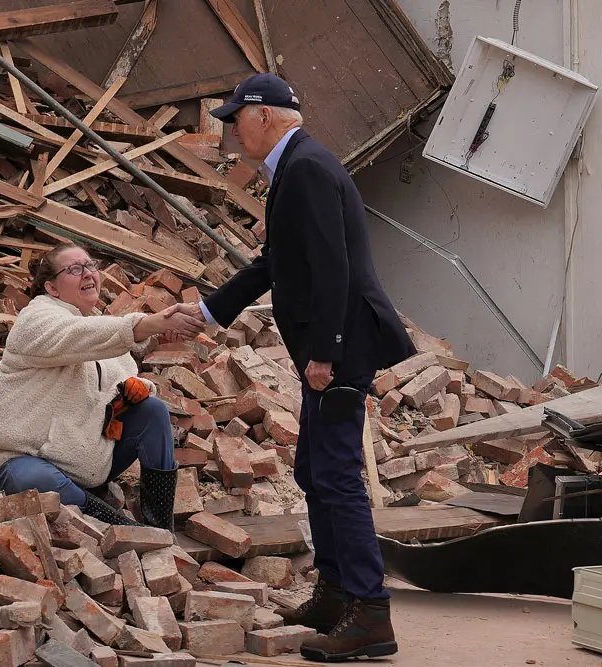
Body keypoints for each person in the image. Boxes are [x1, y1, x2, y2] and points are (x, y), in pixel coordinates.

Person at [173, 74, 416, 662]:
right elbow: (276, 263)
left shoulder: (305, 167)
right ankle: (334, 593)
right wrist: (207, 311)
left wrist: (326, 351)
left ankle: (370, 611)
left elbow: (333, 266)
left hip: (341, 346)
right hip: (330, 346)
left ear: (264, 116)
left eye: (237, 118)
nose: (232, 131)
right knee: (314, 469)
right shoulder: (296, 166)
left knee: (336, 475)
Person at [0, 243, 206, 530]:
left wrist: (137, 388)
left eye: (90, 265)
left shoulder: (96, 323)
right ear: (51, 288)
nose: (88, 273)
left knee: (152, 411)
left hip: (87, 464)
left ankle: (160, 526)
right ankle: (124, 529)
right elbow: (76, 336)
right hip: (25, 461)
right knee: (39, 481)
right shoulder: (35, 320)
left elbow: (117, 376)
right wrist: (153, 323)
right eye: (74, 269)